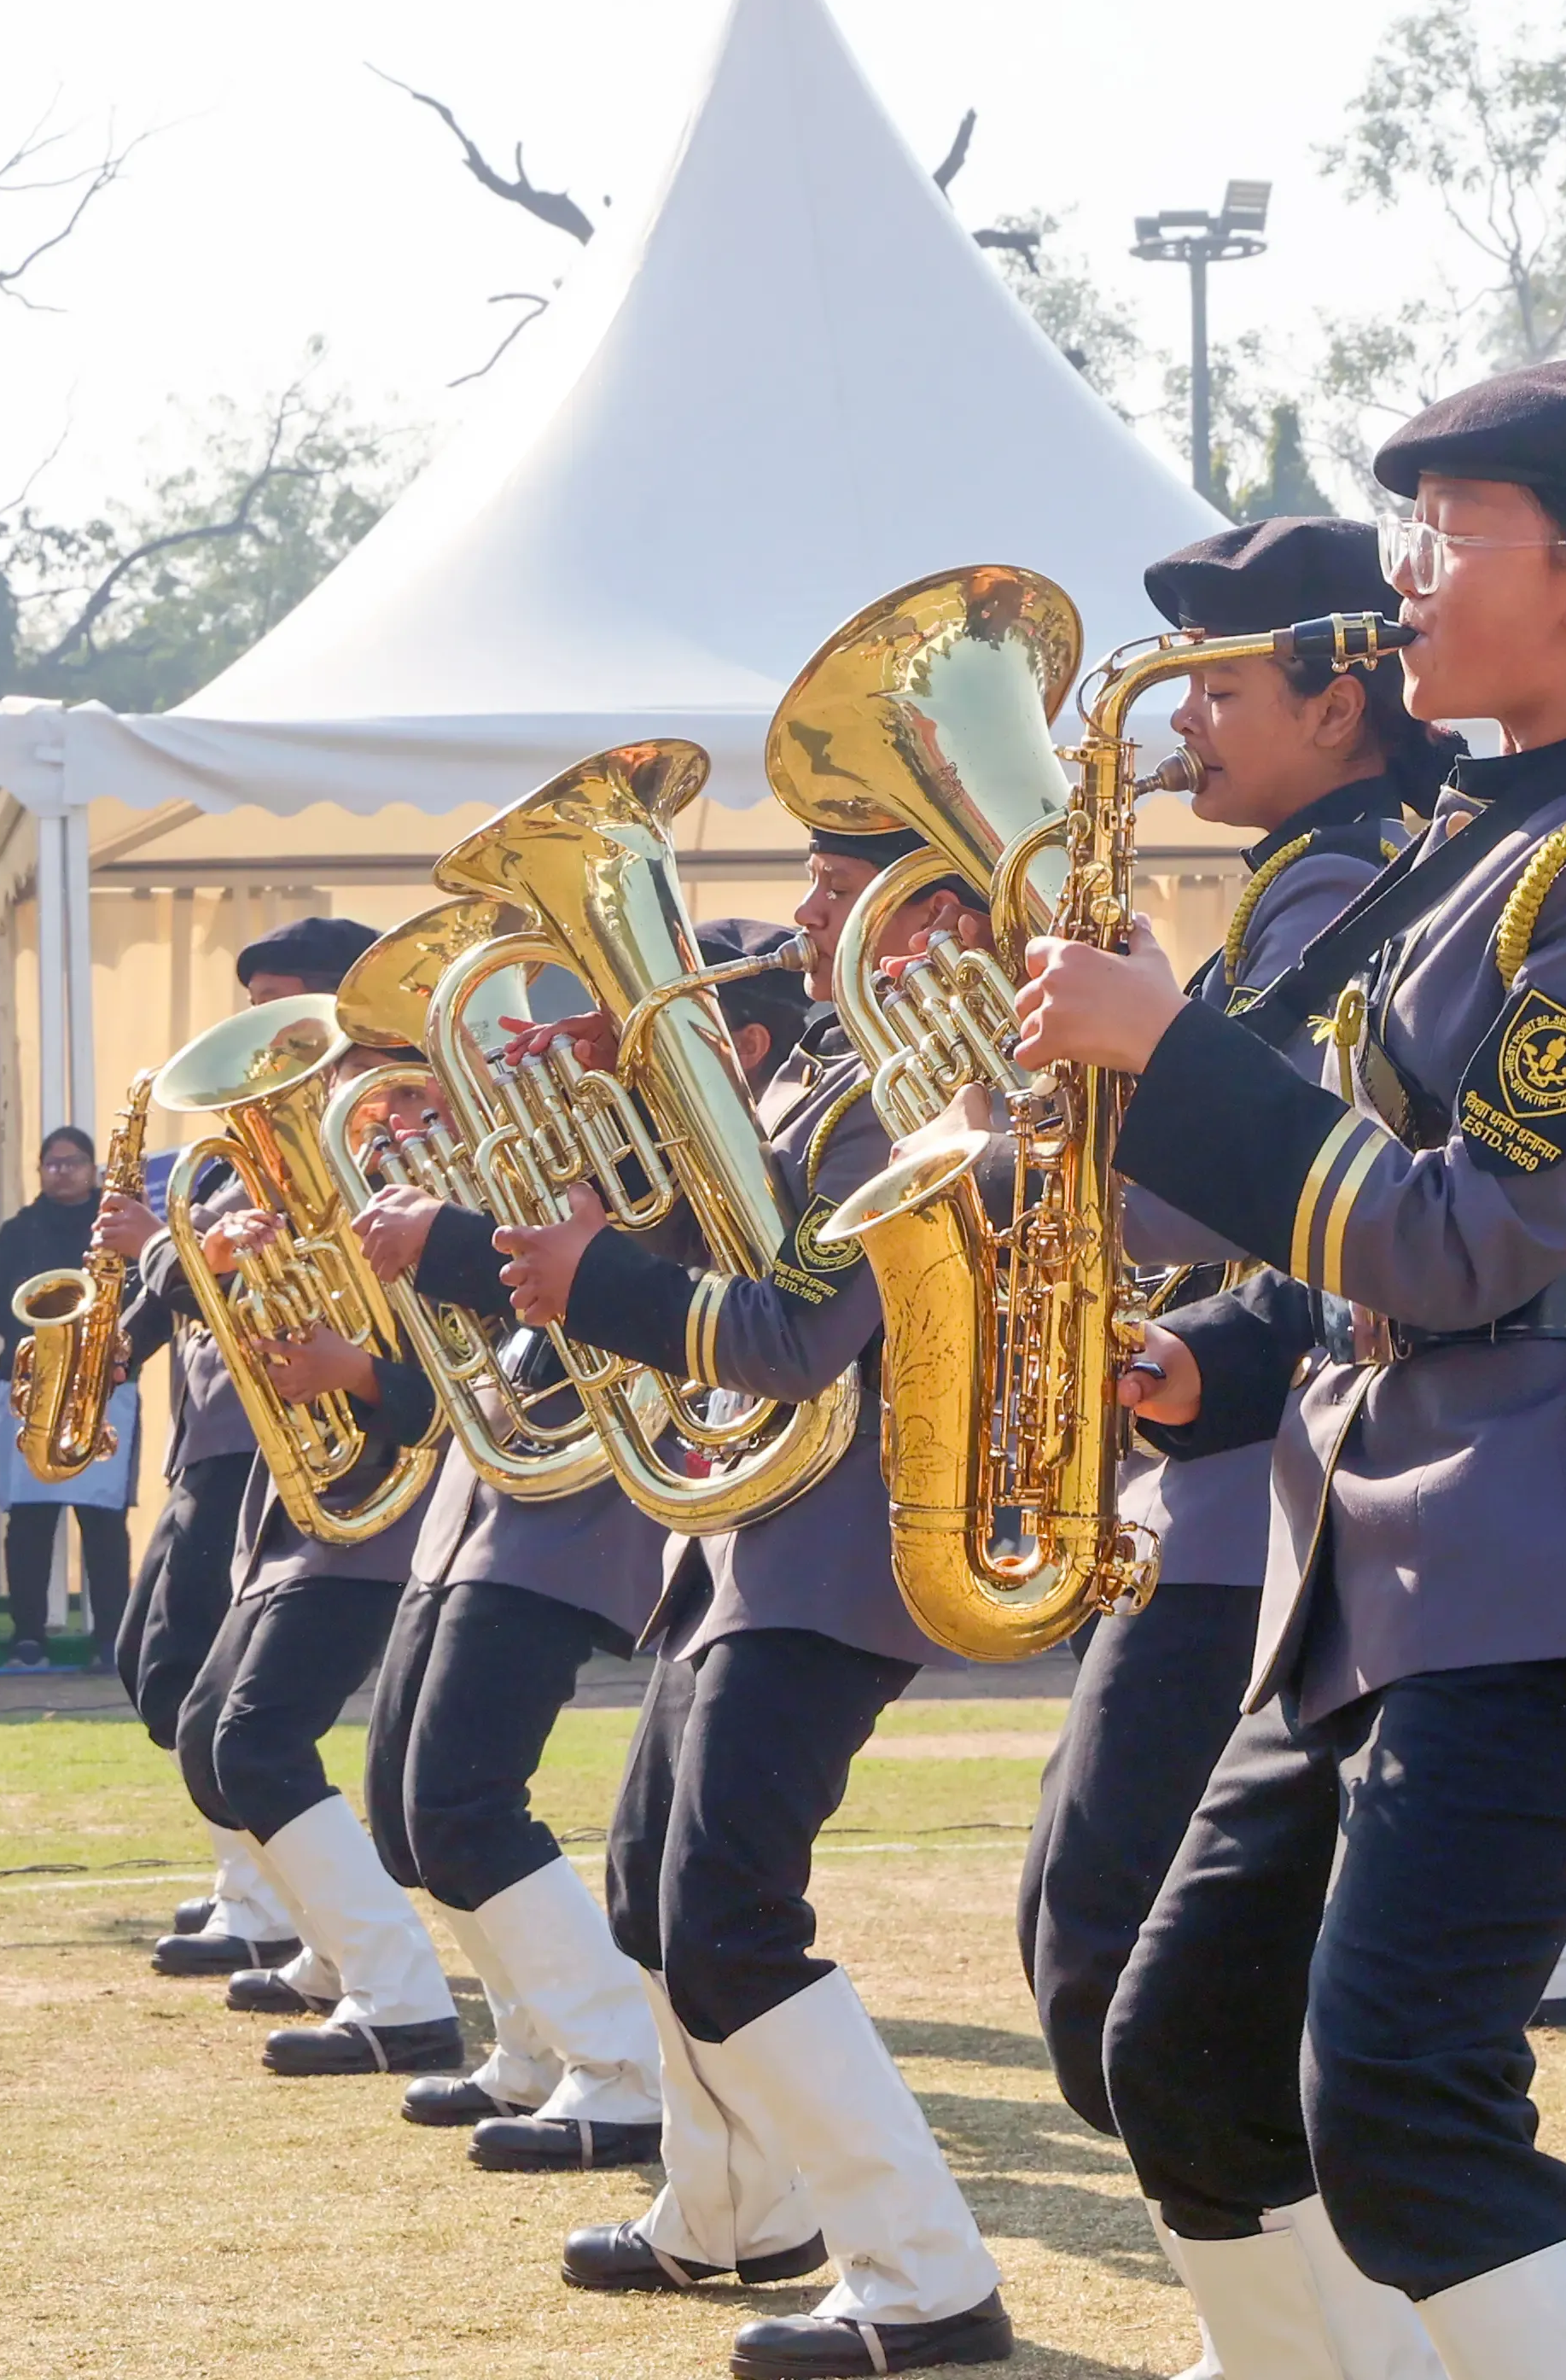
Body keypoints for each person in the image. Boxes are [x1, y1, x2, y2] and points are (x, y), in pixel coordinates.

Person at [1017, 354, 1566, 2373]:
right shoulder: (1471, 829)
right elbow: (1353, 1224)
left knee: (1409, 2110)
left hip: (1545, 1539)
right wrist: (1218, 1361)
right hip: (1369, 1528)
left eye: (1449, 531)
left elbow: (1464, 1236)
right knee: (1179, 2052)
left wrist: (1164, 1054)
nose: (1401, 570)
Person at [995, 516, 1452, 2367]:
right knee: (1110, 1953)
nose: (1181, 732)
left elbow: (1298, 1177)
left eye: (1220, 690)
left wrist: (1096, 1085)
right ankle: (1298, 2329)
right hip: (1254, 1467)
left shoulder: (1348, 882)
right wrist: (1215, 1352)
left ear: (1347, 700)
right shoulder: (1306, 880)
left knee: (1139, 1972)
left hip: (1302, 1514)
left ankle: (1331, 2335)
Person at [480, 849, 1021, 2377]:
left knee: (727, 1907)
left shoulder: (899, 1097)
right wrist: (616, 1176)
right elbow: (729, 1271)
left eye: (840, 882)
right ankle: (726, 2211)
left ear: (939, 914)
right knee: (653, 1889)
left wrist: (593, 1272)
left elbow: (791, 1334)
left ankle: (923, 2278)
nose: (801, 915)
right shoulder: (837, 1080)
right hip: (751, 1529)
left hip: (846, 1528)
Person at [346, 920, 824, 2178]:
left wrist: (451, 1239)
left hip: (588, 1490)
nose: (561, 1042)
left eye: (616, 1014)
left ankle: (612, 2068)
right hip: (513, 1473)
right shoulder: (618, 1132)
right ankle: (550, 2049)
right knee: (415, 1806)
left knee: (462, 1797)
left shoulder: (699, 1148)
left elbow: (610, 1278)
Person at [152, 942, 483, 2088]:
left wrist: (351, 1373)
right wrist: (245, 1267)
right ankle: (342, 1954)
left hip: (389, 1505)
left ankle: (398, 1996)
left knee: (255, 1740)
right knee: (209, 1734)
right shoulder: (327, 1184)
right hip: (310, 1503)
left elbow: (473, 1371)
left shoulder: (441, 1173)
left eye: (334, 1065)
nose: (319, 1094)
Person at [97, 918, 373, 1981]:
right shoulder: (244, 1149)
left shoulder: (344, 1139)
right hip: (209, 1434)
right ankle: (256, 1886)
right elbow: (196, 1273)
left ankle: (266, 1899)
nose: (251, 1039)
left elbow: (234, 1274)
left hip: (274, 1440)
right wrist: (117, 1341)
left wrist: (157, 1248)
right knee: (156, 1667)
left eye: (279, 1009)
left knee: (206, 1684)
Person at [0, 1123, 136, 1668]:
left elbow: (137, 1297)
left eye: (72, 1162)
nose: (61, 1171)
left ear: (93, 1169)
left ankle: (111, 1638)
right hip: (33, 1384)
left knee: (101, 1518)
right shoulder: (19, 1229)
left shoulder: (116, 1229)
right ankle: (28, 1636)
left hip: (102, 1385)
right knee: (29, 1516)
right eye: (52, 1163)